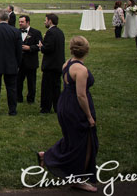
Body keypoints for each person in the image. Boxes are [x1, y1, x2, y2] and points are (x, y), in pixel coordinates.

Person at [37, 36, 98, 193]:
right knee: (84, 142)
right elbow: (81, 95)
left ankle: (47, 155)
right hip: (75, 107)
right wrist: (89, 116)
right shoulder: (81, 70)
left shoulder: (67, 64)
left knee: (71, 139)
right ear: (86, 50)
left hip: (64, 103)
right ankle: (78, 179)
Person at [39, 13, 65, 114]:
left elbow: (48, 49)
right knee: (56, 88)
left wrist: (41, 46)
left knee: (47, 88)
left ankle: (46, 108)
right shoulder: (60, 32)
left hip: (50, 65)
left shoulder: (50, 33)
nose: (44, 22)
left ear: (50, 21)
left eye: (45, 20)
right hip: (58, 64)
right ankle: (57, 106)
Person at [17, 15, 42, 104]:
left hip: (31, 61)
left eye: (22, 22)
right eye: (19, 22)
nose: (20, 23)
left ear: (28, 22)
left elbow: (39, 46)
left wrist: (30, 48)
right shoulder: (16, 32)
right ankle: (18, 98)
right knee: (18, 80)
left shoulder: (36, 33)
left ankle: (30, 99)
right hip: (20, 62)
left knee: (31, 82)